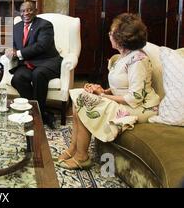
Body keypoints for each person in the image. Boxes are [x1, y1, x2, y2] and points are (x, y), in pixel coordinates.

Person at [57, 13, 160, 170]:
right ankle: (73, 149)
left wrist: (104, 96)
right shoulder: (122, 57)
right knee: (80, 100)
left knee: (87, 104)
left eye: (112, 32)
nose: (109, 34)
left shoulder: (138, 60)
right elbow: (123, 85)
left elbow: (135, 96)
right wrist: (102, 90)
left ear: (121, 38)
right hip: (130, 101)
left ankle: (82, 157)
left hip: (142, 108)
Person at [5, 1, 62, 129]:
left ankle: (37, 114)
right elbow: (13, 44)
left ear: (35, 11)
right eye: (23, 11)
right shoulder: (17, 27)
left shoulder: (45, 25)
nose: (26, 13)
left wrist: (18, 53)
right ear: (20, 13)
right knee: (18, 79)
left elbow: (42, 46)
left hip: (47, 61)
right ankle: (40, 112)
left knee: (38, 74)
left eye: (29, 10)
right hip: (28, 62)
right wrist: (10, 49)